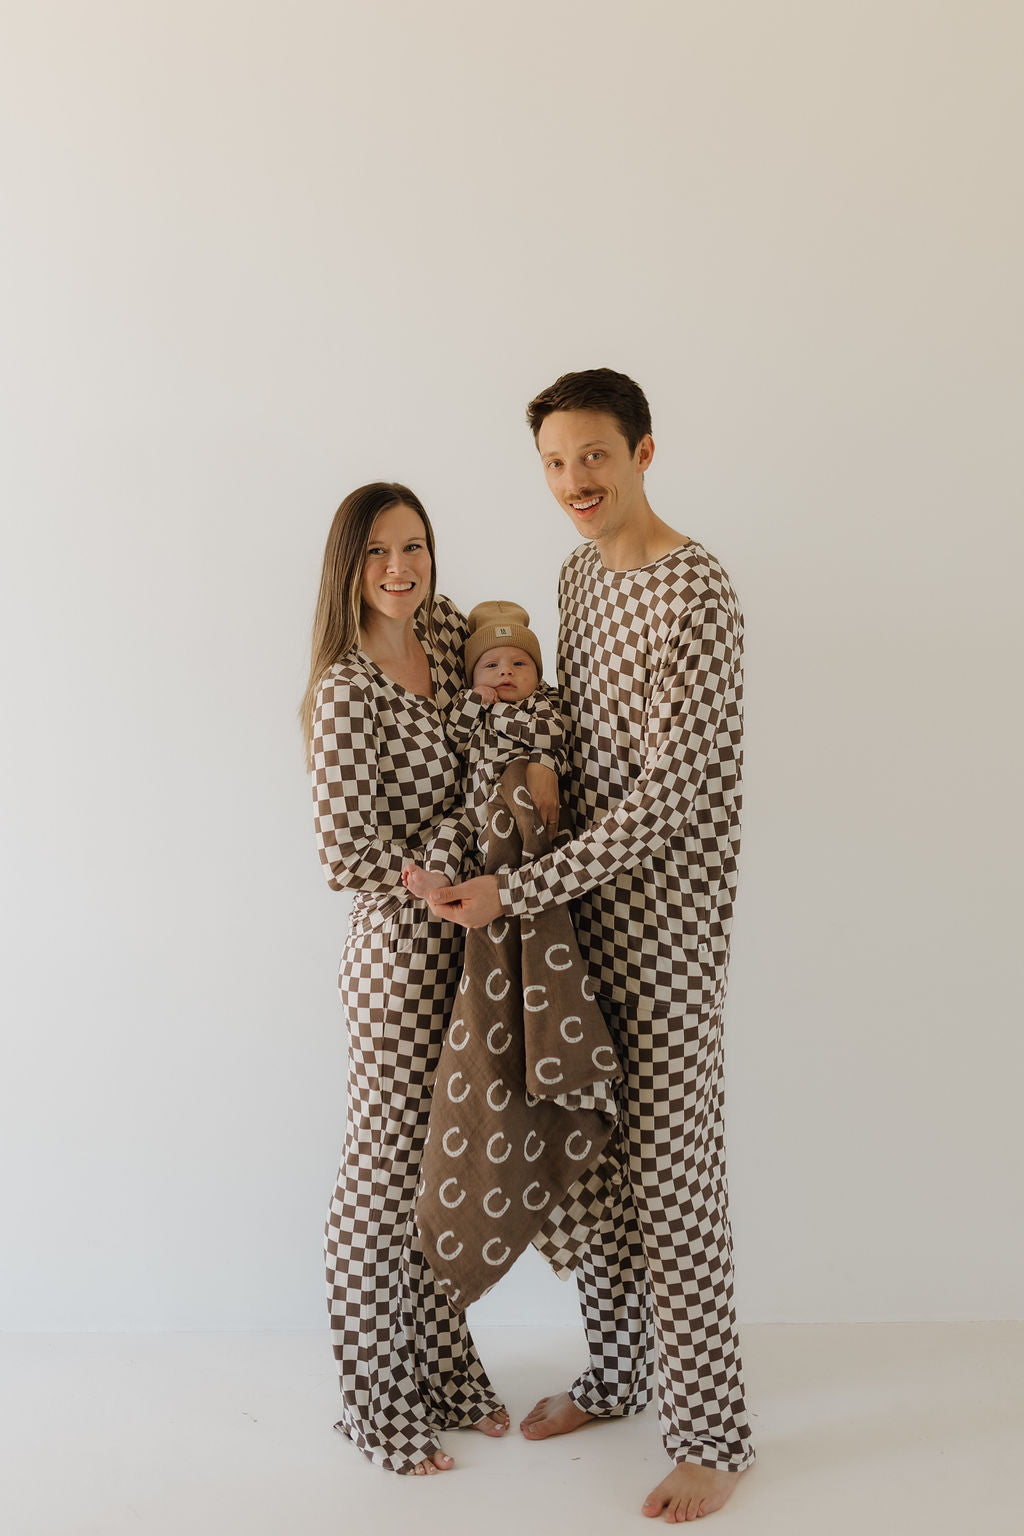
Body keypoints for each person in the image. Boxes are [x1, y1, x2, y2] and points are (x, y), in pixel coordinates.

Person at [428, 371, 755, 1523]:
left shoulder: (695, 591)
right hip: (575, 927)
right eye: (557, 462)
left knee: (674, 1179)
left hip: (662, 932)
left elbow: (669, 800)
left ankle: (713, 1438)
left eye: (596, 457)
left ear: (645, 451)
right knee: (597, 1170)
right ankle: (618, 1374)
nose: (574, 481)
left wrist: (512, 886)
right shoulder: (573, 577)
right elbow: (560, 742)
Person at [302, 481, 516, 1476]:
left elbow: (501, 661)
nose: (400, 568)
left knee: (445, 1181)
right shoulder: (347, 687)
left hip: (467, 954)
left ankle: (442, 1367)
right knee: (381, 1185)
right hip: (397, 965)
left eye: (415, 546)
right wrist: (448, 854)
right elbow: (347, 853)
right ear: (349, 567)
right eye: (379, 552)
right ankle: (375, 1404)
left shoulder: (436, 635)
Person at [402, 599, 567, 902]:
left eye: (519, 664)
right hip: (470, 809)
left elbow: (553, 734)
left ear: (537, 674)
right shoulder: (471, 704)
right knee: (448, 831)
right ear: (473, 676)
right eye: (492, 665)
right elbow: (454, 739)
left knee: (517, 851)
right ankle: (438, 878)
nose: (506, 672)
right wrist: (473, 702)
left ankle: (513, 892)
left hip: (510, 805)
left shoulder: (536, 703)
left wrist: (503, 716)